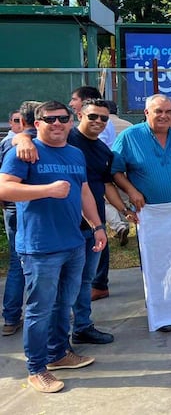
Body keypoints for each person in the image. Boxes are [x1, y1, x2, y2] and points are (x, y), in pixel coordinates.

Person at [0, 101, 106, 393]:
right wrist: (46, 190)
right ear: (38, 123)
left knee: (64, 304)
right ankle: (36, 368)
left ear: (71, 122)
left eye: (63, 118)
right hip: (40, 246)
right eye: (50, 119)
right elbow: (4, 188)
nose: (57, 124)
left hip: (73, 242)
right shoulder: (23, 151)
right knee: (39, 309)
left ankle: (59, 354)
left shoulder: (75, 153)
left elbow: (83, 190)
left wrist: (97, 226)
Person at [68, 99, 138, 345]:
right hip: (64, 223)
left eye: (104, 118)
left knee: (86, 278)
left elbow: (107, 184)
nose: (98, 121)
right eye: (93, 116)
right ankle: (53, 335)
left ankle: (83, 327)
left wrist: (124, 210)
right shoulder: (64, 139)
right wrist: (20, 138)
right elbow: (27, 136)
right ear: (79, 116)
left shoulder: (103, 151)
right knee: (63, 279)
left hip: (93, 222)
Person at [112, 94, 171, 208]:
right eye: (158, 111)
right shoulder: (129, 136)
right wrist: (131, 191)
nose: (164, 116)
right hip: (149, 212)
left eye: (168, 112)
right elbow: (115, 171)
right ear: (146, 112)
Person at [1, 101, 40, 337]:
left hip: (13, 209)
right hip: (24, 210)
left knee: (18, 264)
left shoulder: (11, 142)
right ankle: (16, 316)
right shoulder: (19, 144)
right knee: (28, 264)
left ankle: (11, 318)